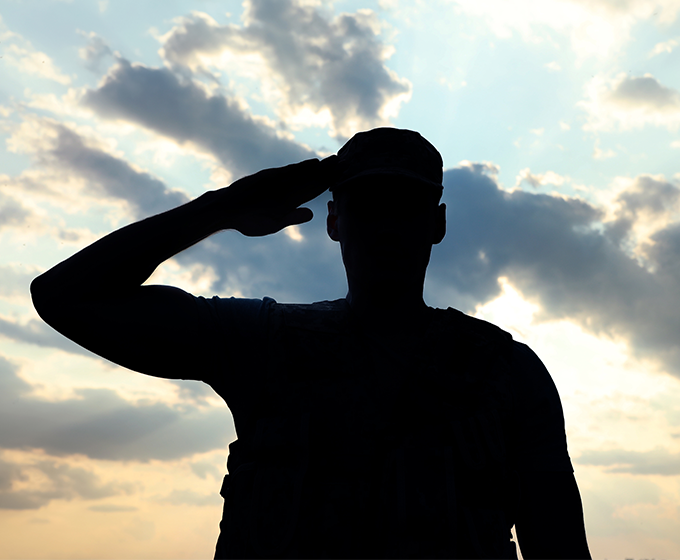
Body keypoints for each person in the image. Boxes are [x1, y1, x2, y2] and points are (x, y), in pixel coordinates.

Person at [31, 127, 591, 559]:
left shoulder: (506, 372)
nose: (387, 227)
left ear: (437, 224)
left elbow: (559, 545)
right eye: (369, 208)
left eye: (405, 208)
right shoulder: (265, 343)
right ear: (334, 222)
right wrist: (221, 208)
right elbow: (63, 297)